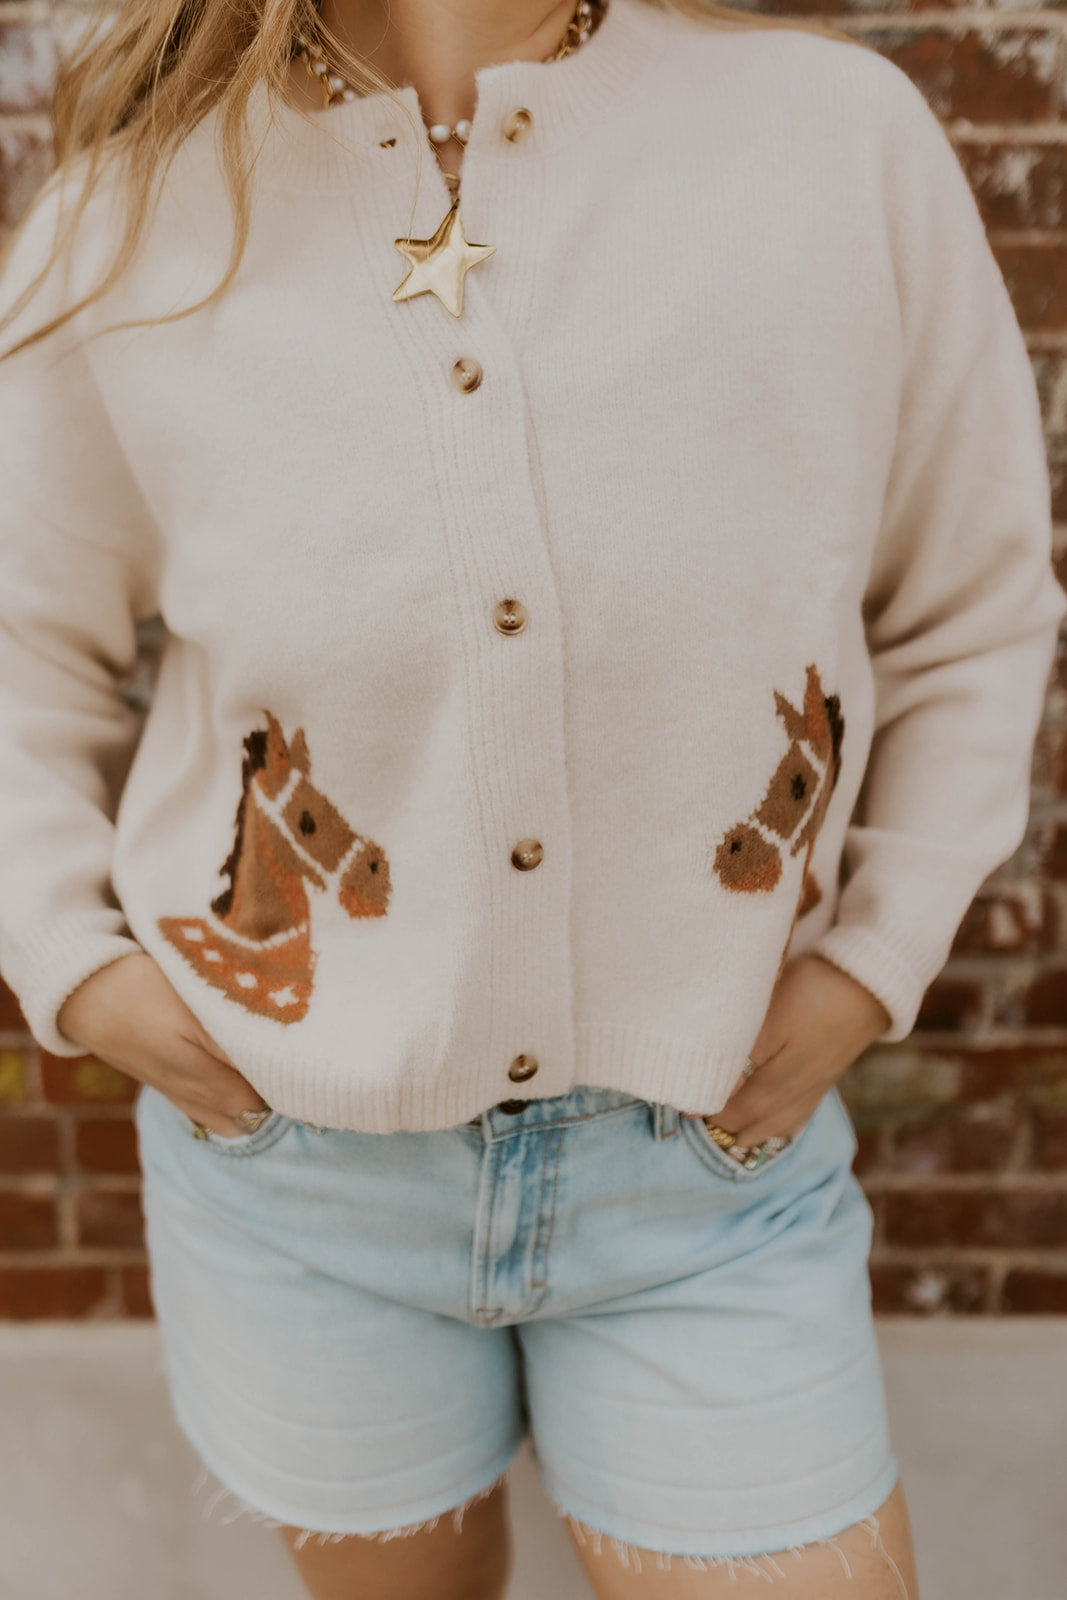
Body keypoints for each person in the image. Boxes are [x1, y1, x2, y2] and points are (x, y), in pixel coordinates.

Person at [1, 0, 1063, 1594]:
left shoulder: (835, 145)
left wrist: (872, 961)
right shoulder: (139, 207)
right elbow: (21, 647)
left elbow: (970, 607)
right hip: (295, 1179)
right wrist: (81, 969)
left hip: (712, 1171)